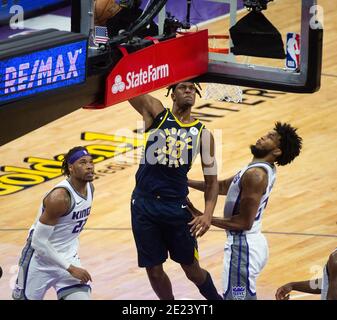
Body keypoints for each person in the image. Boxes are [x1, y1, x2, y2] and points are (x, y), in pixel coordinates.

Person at [128, 81, 222, 300]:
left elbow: (212, 181)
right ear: (172, 94)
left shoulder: (203, 135)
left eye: (192, 88)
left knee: (192, 270)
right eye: (182, 87)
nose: (188, 90)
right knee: (153, 269)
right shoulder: (157, 113)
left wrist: (207, 214)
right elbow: (128, 87)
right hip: (144, 204)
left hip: (176, 207)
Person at [188, 122, 303, 300]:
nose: (263, 137)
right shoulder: (258, 169)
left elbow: (243, 223)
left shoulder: (256, 175)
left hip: (243, 247)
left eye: (270, 137)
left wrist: (204, 216)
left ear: (277, 151)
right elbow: (224, 186)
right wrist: (186, 182)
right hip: (251, 244)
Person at [12, 147, 95, 300]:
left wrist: (70, 265)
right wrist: (70, 268)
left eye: (91, 162)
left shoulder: (90, 188)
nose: (89, 166)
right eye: (82, 163)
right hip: (39, 261)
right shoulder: (59, 198)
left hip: (68, 258)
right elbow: (38, 242)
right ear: (71, 168)